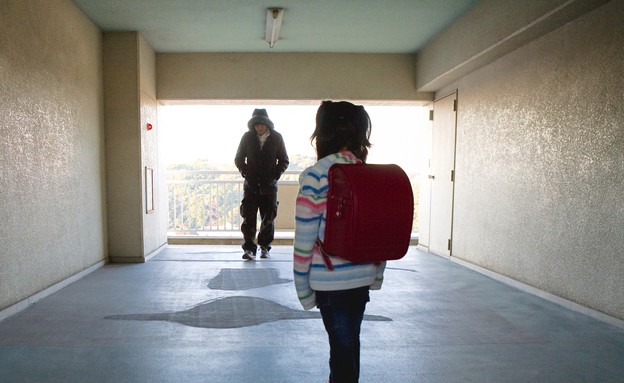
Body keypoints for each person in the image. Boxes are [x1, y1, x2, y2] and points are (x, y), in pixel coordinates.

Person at [293, 101, 385, 383]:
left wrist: (303, 290)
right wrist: (376, 275)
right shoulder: (368, 174)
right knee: (349, 346)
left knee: (342, 351)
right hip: (360, 280)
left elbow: (304, 239)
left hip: (330, 284)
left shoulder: (317, 176)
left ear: (322, 134)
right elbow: (378, 233)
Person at [235, 108, 289, 260]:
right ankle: (249, 249)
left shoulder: (277, 137)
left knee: (268, 218)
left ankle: (264, 246)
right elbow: (238, 159)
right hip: (251, 186)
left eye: (262, 124)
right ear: (253, 125)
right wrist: (247, 173)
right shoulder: (247, 137)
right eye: (256, 124)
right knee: (248, 218)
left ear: (267, 124)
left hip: (269, 187)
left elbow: (284, 160)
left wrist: (274, 175)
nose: (259, 127)